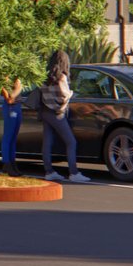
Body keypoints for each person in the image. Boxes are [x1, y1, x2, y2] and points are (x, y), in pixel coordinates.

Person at [39, 52, 90, 183]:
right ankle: (73, 172)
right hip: (57, 113)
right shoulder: (61, 77)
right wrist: (71, 93)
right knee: (71, 142)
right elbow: (64, 94)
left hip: (45, 111)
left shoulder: (45, 76)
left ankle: (49, 171)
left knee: (47, 142)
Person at [0, 78, 28, 176]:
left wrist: (18, 86)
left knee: (13, 138)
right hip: (10, 108)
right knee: (8, 137)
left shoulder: (18, 77)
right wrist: (18, 87)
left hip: (17, 107)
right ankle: (6, 164)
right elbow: (9, 99)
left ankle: (12, 163)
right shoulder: (5, 78)